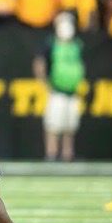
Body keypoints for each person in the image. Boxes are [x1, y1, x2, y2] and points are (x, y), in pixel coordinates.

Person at [33, 12, 85, 162]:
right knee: (53, 124)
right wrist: (44, 82)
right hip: (56, 90)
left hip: (73, 91)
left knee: (70, 126)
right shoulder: (51, 44)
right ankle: (51, 153)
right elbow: (39, 62)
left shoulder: (76, 44)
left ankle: (67, 154)